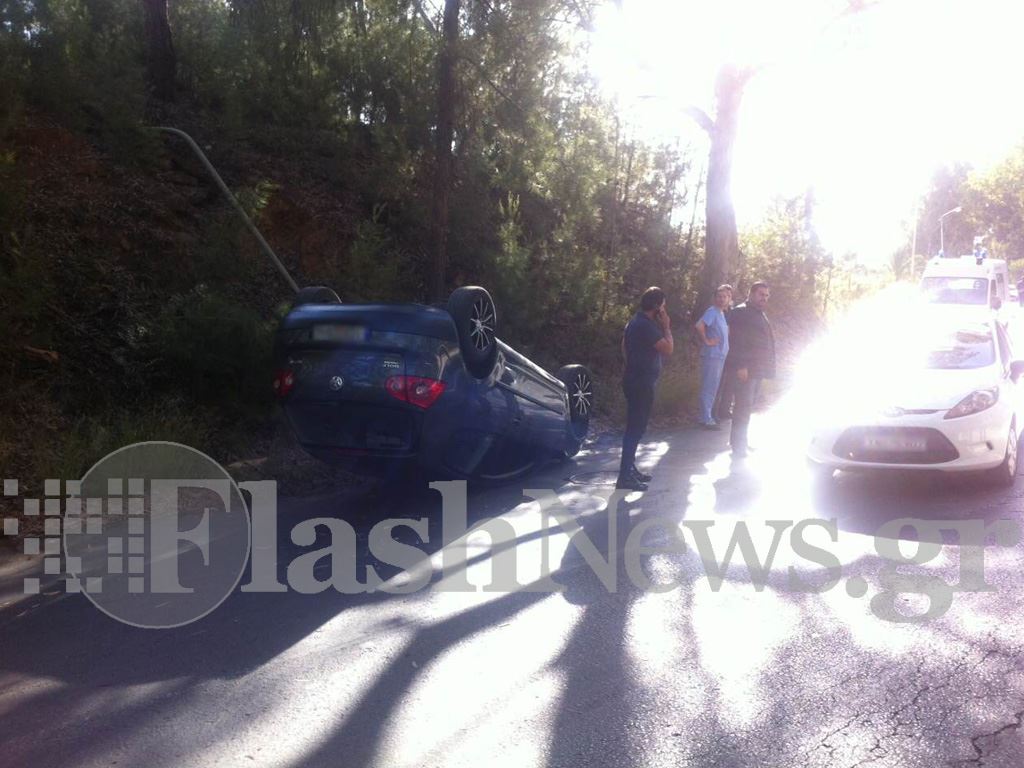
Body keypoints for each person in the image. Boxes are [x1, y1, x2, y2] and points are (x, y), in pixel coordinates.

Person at [618, 286, 674, 491]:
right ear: (658, 306)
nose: (665, 310)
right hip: (641, 383)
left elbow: (623, 345)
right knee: (635, 429)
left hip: (635, 379)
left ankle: (629, 470)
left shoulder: (635, 321)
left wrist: (631, 364)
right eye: (664, 305)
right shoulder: (646, 325)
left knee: (637, 427)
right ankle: (624, 477)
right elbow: (668, 349)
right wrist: (667, 327)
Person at [722, 282, 775, 458]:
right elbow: (737, 341)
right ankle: (738, 446)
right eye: (761, 294)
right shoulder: (741, 312)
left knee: (747, 407)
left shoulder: (757, 313)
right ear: (751, 293)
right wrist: (741, 365)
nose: (764, 298)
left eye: (767, 296)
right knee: (742, 407)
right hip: (746, 369)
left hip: (757, 369)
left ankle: (740, 441)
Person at [694, 284, 732, 429]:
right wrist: (707, 340)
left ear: (729, 298)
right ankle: (706, 418)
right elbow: (699, 326)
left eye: (725, 297)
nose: (722, 299)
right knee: (709, 387)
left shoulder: (721, 313)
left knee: (713, 386)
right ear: (714, 298)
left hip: (719, 356)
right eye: (719, 297)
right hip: (712, 355)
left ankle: (706, 417)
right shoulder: (712, 311)